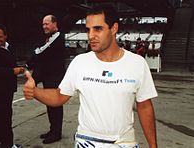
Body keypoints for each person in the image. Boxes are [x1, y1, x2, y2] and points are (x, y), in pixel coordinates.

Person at [24, 4, 158, 148]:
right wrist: (35, 91)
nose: (91, 36)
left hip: (123, 142)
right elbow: (59, 96)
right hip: (86, 142)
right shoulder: (80, 62)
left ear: (114, 28)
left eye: (98, 29)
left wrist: (153, 145)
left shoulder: (137, 63)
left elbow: (144, 107)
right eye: (88, 30)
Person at [26, 14, 66, 144]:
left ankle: (56, 133)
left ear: (54, 23)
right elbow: (39, 52)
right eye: (43, 24)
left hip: (55, 76)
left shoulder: (58, 37)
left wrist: (30, 61)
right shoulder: (48, 38)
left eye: (47, 24)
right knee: (49, 104)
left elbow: (41, 52)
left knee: (55, 104)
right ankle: (53, 129)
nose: (44, 26)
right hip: (48, 75)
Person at [0, 24, 24, 148]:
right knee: (5, 116)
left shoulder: (9, 47)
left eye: (0, 36)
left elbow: (11, 62)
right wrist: (14, 71)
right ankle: (8, 144)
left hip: (7, 88)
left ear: (5, 36)